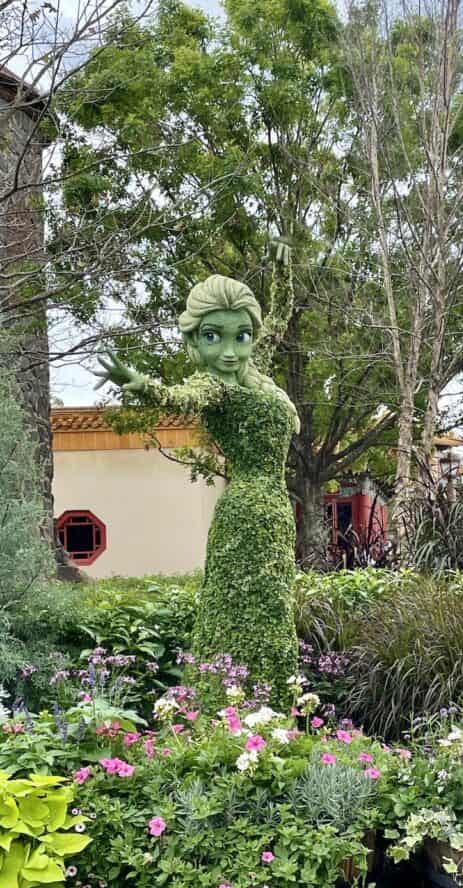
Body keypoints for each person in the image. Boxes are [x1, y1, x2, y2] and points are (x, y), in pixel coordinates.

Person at [94, 250, 300, 705]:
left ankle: (268, 706)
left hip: (275, 507)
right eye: (213, 337)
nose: (229, 350)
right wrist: (142, 384)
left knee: (271, 608)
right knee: (242, 607)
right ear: (195, 342)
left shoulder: (251, 371)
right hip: (247, 507)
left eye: (240, 336)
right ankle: (233, 704)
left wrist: (282, 269)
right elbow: (177, 398)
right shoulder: (214, 387)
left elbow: (278, 319)